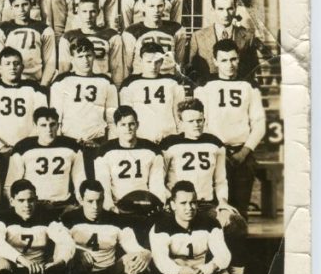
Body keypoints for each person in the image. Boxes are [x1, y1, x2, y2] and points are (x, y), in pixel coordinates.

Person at [61, 179, 166, 274]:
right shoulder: (69, 219)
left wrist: (145, 253)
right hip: (82, 273)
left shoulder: (115, 219)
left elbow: (132, 246)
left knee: (134, 258)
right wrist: (77, 252)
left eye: (99, 201)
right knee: (73, 261)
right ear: (81, 199)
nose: (95, 206)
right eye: (90, 201)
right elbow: (61, 244)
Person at [149, 181, 249, 274]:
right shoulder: (161, 227)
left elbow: (223, 254)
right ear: (172, 205)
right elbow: (161, 260)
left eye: (193, 202)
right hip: (178, 271)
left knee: (220, 271)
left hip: (202, 269)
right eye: (183, 203)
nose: (189, 208)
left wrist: (209, 267)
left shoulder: (210, 223)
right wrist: (180, 270)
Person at [192, 39, 265, 217]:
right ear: (215, 61)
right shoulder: (204, 86)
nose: (229, 65)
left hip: (241, 153)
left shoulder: (249, 86)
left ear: (238, 59)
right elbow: (201, 122)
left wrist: (244, 152)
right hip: (213, 152)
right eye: (224, 60)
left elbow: (259, 123)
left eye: (233, 59)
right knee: (214, 211)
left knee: (240, 212)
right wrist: (217, 150)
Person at [160, 98, 246, 238]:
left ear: (204, 119)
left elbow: (220, 180)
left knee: (235, 223)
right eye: (191, 121)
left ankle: (222, 259)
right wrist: (170, 201)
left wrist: (223, 202)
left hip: (205, 205)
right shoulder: (169, 144)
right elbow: (159, 180)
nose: (196, 125)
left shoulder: (214, 143)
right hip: (178, 205)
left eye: (199, 120)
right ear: (180, 123)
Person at [4, 107, 85, 219]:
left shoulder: (72, 146)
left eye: (52, 124)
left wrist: (80, 206)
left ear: (58, 125)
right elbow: (10, 184)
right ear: (36, 126)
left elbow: (79, 180)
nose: (49, 129)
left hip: (63, 206)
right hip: (34, 207)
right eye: (43, 125)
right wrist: (16, 210)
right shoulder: (22, 147)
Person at [0, 48, 50, 162]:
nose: (12, 67)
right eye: (7, 64)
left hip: (28, 151)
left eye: (16, 63)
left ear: (22, 67)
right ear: (0, 68)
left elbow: (42, 122)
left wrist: (26, 146)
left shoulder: (34, 88)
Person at [92, 106, 168, 214]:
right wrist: (111, 208)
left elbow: (157, 184)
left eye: (131, 124)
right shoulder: (104, 151)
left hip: (145, 206)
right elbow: (104, 185)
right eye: (123, 125)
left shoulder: (152, 149)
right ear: (116, 127)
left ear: (137, 125)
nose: (128, 128)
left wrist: (157, 206)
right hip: (118, 207)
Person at [49, 36, 119, 147]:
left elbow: (112, 120)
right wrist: (58, 143)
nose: (85, 61)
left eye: (88, 56)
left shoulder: (105, 82)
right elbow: (56, 118)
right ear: (72, 59)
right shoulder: (61, 81)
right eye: (80, 56)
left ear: (94, 56)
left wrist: (109, 145)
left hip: (97, 141)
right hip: (69, 140)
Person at [118, 41, 187, 143]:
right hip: (141, 138)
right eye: (149, 62)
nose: (153, 66)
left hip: (169, 137)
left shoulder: (172, 83)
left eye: (157, 62)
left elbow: (179, 115)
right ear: (141, 61)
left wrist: (181, 136)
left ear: (162, 61)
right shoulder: (130, 84)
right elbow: (125, 117)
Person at [188, 0, 261, 85]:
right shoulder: (198, 37)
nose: (226, 14)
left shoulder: (247, 36)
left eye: (230, 9)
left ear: (235, 9)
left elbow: (253, 68)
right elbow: (190, 69)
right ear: (213, 10)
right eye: (221, 9)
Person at [0, 0, 56, 86]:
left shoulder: (44, 30)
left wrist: (43, 86)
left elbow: (50, 61)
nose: (21, 10)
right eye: (17, 6)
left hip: (35, 82)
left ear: (31, 5)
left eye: (25, 4)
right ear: (11, 7)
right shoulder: (1, 30)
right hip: (9, 83)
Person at [58, 0, 126, 86]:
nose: (88, 16)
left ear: (98, 12)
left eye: (92, 11)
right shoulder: (68, 37)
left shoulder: (111, 35)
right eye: (84, 11)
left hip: (102, 83)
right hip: (77, 84)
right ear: (78, 12)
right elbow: (64, 69)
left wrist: (117, 88)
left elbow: (117, 68)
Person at [122, 0, 188, 77]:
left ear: (164, 6)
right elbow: (127, 66)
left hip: (168, 79)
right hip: (140, 80)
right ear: (143, 6)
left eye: (160, 6)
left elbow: (179, 62)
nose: (156, 10)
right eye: (151, 6)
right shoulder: (131, 32)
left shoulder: (176, 29)